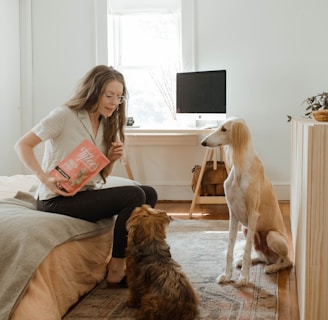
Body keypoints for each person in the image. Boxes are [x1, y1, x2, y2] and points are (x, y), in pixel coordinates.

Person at [15, 65, 158, 287]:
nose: (114, 102)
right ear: (93, 91)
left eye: (119, 97)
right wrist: (44, 179)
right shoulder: (64, 115)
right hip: (56, 200)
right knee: (134, 195)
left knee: (148, 193)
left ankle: (138, 261)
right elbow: (22, 145)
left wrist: (110, 158)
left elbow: (100, 175)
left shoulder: (106, 123)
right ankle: (117, 268)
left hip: (84, 193)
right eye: (109, 95)